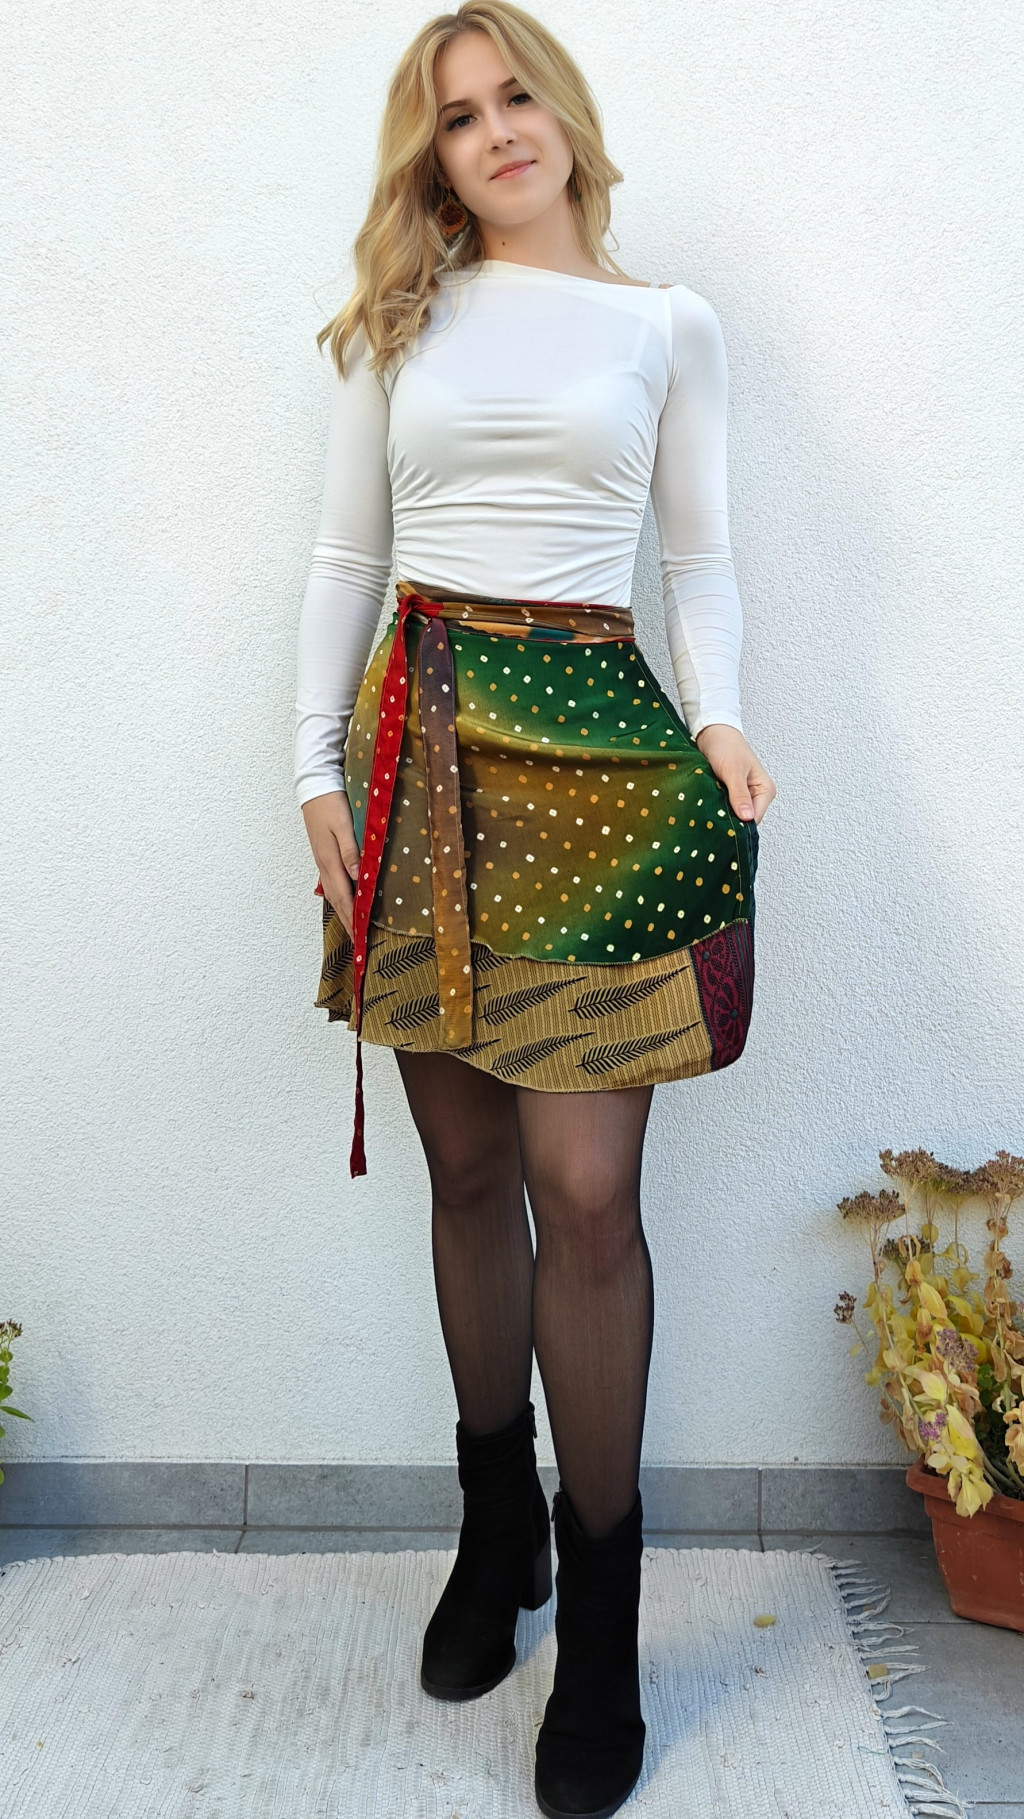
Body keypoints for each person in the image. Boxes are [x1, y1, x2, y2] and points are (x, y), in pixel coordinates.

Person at [294, 5, 776, 1814]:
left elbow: (699, 556)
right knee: (469, 1170)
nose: (496, 131)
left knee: (586, 1196)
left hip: (597, 750)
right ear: (430, 158)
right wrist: (311, 771)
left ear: (563, 114)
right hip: (421, 757)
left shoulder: (668, 327)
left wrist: (719, 718)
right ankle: (496, 1531)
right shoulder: (403, 321)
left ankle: (608, 1625)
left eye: (516, 97)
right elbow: (348, 556)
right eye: (457, 117)